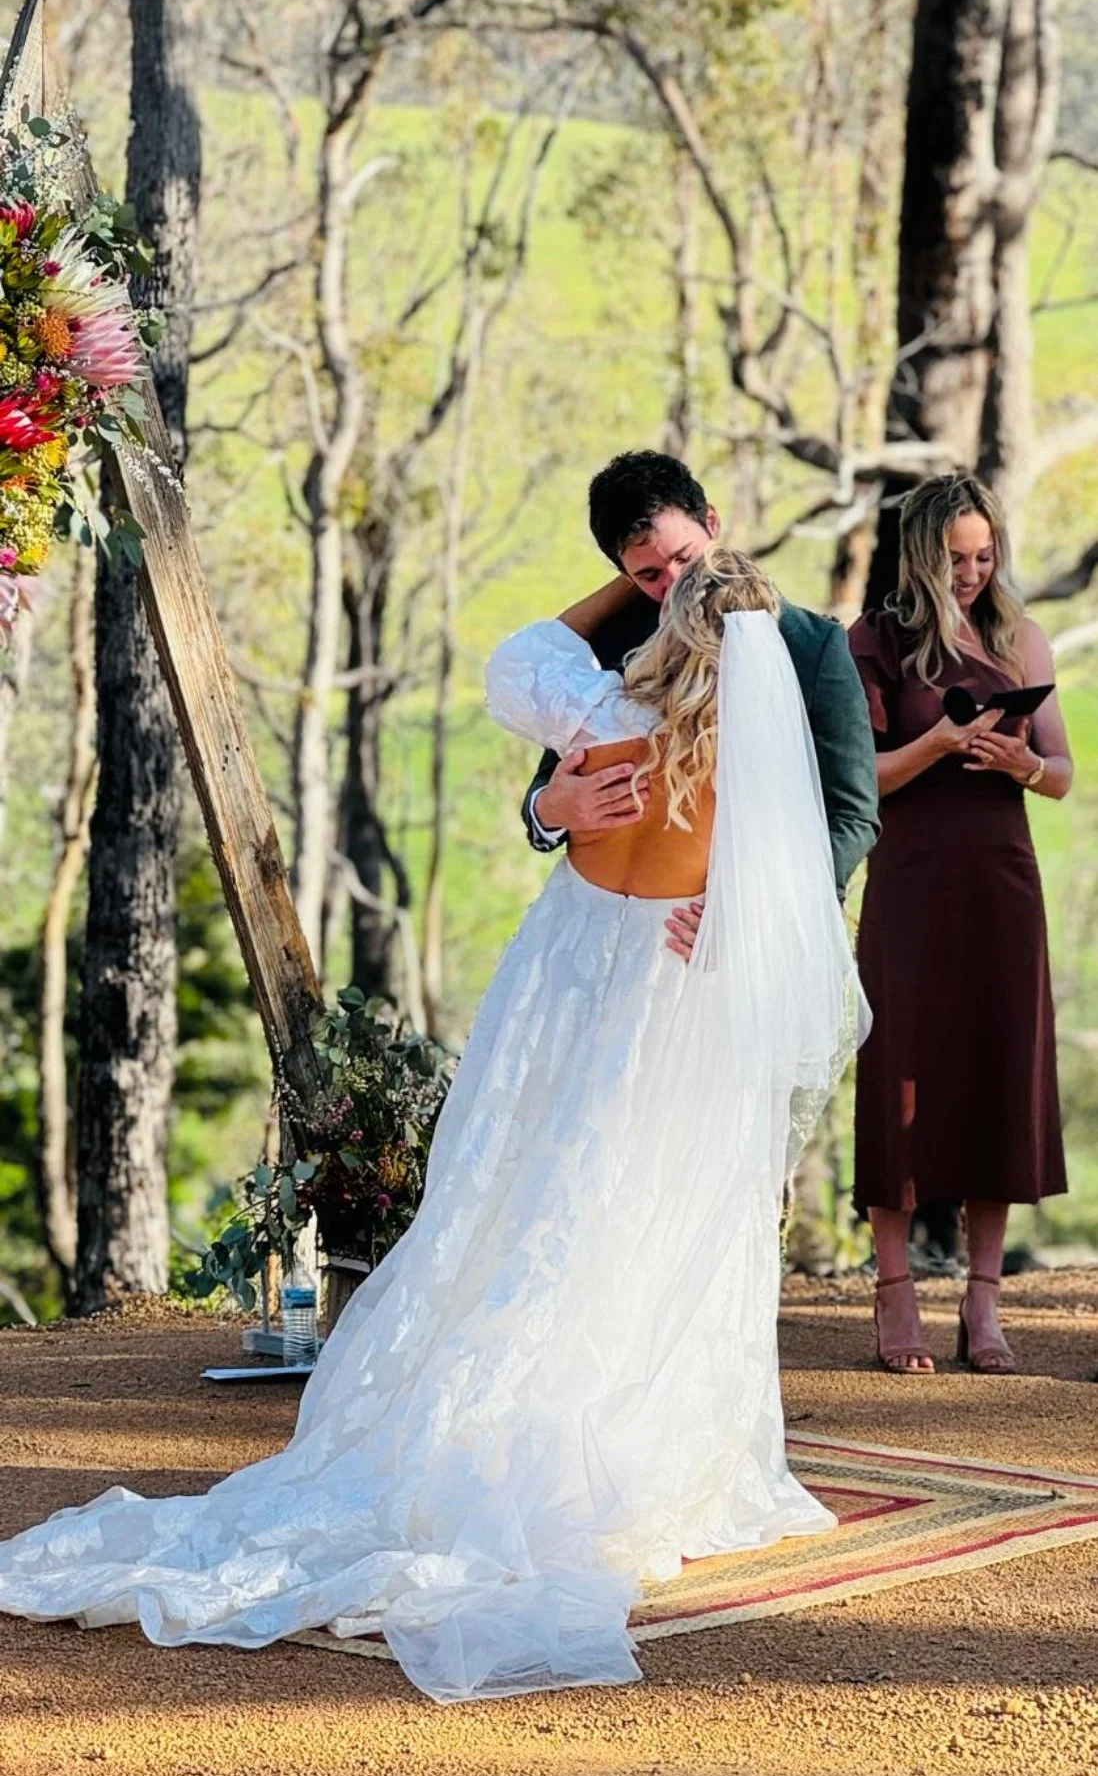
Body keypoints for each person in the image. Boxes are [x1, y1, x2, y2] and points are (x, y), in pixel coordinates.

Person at [0, 548, 866, 1705]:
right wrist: (706, 911)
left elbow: (518, 656)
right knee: (636, 1217)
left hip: (562, 988)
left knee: (516, 1202)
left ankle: (500, 1412)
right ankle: (622, 1438)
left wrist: (618, 593)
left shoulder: (599, 710)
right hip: (670, 1011)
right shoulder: (760, 778)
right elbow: (797, 911)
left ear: (672, 627)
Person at [849, 473, 1073, 1376]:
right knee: (898, 1067)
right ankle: (894, 1291)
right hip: (908, 878)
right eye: (957, 557)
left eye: (986, 556)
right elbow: (860, 774)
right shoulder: (876, 640)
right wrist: (937, 745)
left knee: (998, 1068)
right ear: (921, 554)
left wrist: (1019, 758)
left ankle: (985, 1304)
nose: (974, 572)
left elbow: (1062, 773)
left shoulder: (1019, 636)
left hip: (999, 879)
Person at [522, 450, 881, 957]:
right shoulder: (607, 642)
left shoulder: (810, 647)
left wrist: (761, 914)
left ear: (712, 521)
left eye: (683, 558)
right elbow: (550, 777)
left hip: (731, 949)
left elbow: (852, 814)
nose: (673, 585)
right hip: (594, 939)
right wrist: (550, 808)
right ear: (621, 573)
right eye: (648, 576)